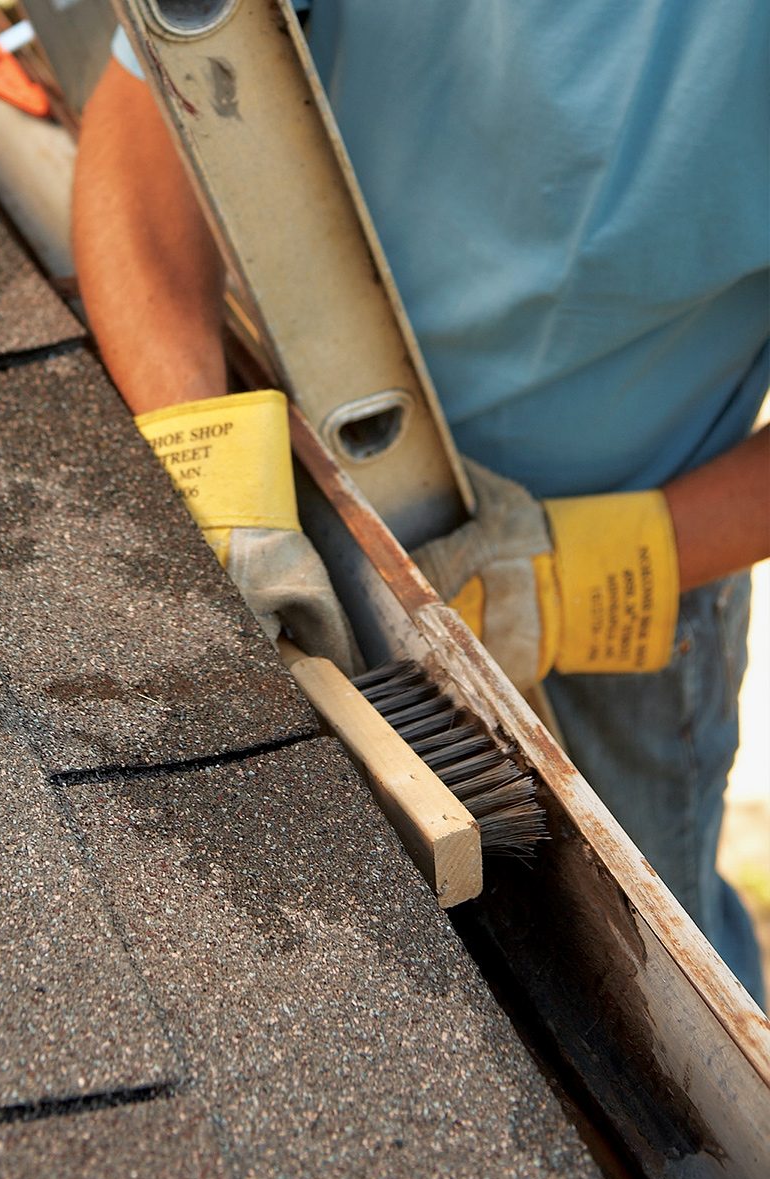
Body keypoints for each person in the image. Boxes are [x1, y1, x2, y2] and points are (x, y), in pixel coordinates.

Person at [70, 5, 769, 1004]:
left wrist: (573, 581)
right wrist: (213, 472)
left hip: (649, 555)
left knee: (657, 980)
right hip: (303, 471)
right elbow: (153, 113)